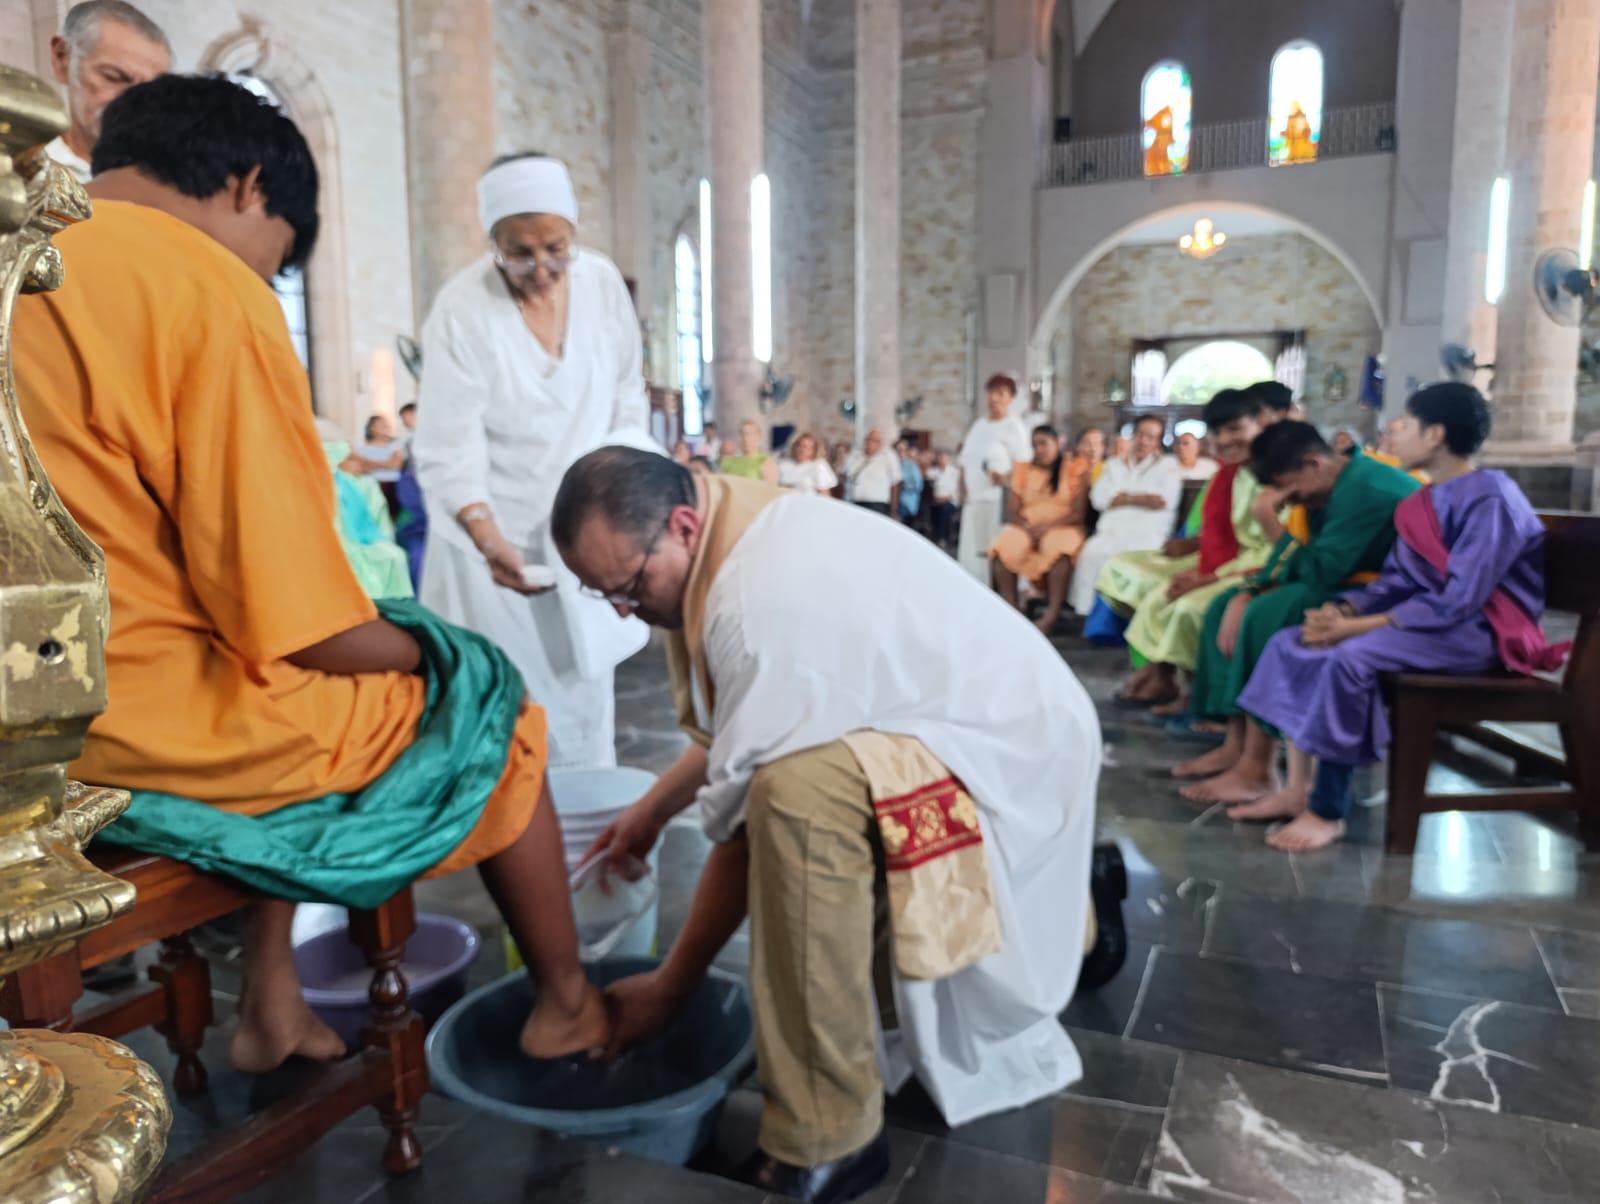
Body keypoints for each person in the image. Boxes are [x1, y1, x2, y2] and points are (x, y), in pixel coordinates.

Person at [12, 74, 606, 1075]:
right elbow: (296, 625)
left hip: (25, 717)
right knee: (495, 711)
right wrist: (436, 643)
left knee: (305, 690)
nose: (268, 279)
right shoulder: (199, 284)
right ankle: (570, 1004)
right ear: (250, 187)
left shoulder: (24, 246)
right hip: (118, 731)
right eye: (280, 259)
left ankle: (272, 1002)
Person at [549, 448, 1124, 1204]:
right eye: (603, 595)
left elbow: (746, 828)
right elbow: (743, 722)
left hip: (1009, 754)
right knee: (797, 783)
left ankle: (828, 1138)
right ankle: (1070, 905)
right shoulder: (733, 516)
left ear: (683, 525)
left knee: (799, 802)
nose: (625, 610)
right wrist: (651, 812)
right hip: (1000, 713)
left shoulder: (754, 603)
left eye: (628, 587)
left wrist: (671, 985)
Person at [1235, 384, 1566, 850]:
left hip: (1481, 633)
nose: (1392, 437)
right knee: (1292, 641)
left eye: (1403, 426)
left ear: (1435, 434)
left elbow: (1461, 599)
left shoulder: (1492, 497)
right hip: (1429, 625)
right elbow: (1396, 582)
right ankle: (1296, 789)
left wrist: (1356, 628)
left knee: (1348, 659)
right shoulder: (1421, 503)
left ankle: (1327, 810)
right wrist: (1343, 610)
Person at [412, 151, 653, 771]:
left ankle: (586, 845)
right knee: (517, 714)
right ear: (493, 242)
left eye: (556, 247)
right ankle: (522, 846)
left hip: (583, 527)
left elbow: (628, 397)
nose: (542, 267)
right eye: (520, 252)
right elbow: (448, 445)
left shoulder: (600, 284)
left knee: (584, 703)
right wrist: (488, 537)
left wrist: (619, 509)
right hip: (495, 544)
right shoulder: (463, 309)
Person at [1175, 421, 1420, 803]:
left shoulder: (1366, 489)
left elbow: (1322, 572)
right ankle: (1236, 743)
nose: (1288, 501)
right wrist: (1250, 590)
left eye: (1290, 489)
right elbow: (1306, 559)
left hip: (1383, 593)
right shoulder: (1332, 484)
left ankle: (1259, 765)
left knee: (1269, 613)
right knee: (1226, 604)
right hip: (1343, 582)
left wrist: (1270, 523)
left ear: (1314, 463)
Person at [1098, 390, 1280, 709]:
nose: (1224, 440)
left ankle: (1194, 693)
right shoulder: (1231, 473)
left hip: (1257, 567)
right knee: (1147, 586)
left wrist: (1206, 577)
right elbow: (1224, 529)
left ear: (1261, 423)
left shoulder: (1275, 474)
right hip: (1225, 558)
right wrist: (1193, 548)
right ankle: (1160, 673)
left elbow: (1274, 549)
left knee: (1185, 605)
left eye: (1235, 429)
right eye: (1218, 432)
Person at [45, 1, 170, 184]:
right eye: (114, 77)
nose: (135, 102)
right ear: (62, 57)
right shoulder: (22, 171)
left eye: (151, 91)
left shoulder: (173, 182)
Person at [1068, 415, 1181, 616]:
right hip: (1111, 532)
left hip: (1147, 534)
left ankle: (1129, 618)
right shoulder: (1114, 464)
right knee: (1092, 553)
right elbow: (1099, 498)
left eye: (1151, 437)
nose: (1144, 441)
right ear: (1133, 436)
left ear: (1158, 441)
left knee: (1133, 558)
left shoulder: (1168, 466)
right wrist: (1141, 498)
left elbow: (1163, 500)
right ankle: (1090, 616)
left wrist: (1121, 497)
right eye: (1140, 435)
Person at [990, 424, 1090, 634]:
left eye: (1044, 444)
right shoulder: (1023, 470)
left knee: (1059, 549)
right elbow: (1013, 510)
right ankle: (1012, 609)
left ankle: (1051, 615)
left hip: (1063, 525)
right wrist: (1027, 528)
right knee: (1003, 546)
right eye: (1035, 445)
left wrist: (1047, 528)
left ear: (1058, 444)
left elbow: (1078, 512)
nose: (1039, 450)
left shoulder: (1075, 468)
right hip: (1027, 526)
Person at [955, 374, 1031, 580]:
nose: (995, 398)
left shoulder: (1014, 426)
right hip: (974, 500)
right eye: (991, 393)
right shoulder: (979, 425)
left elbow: (1023, 464)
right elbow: (965, 461)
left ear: (1011, 398)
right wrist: (962, 489)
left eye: (1001, 393)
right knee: (972, 552)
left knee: (990, 551)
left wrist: (1005, 477)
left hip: (996, 500)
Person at [845, 427, 900, 516]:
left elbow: (895, 484)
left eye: (875, 440)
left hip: (877, 505)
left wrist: (894, 510)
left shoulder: (888, 457)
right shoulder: (855, 456)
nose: (870, 443)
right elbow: (846, 476)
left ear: (880, 443)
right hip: (855, 502)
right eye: (869, 439)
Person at [777, 431, 838, 496]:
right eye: (799, 445)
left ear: (813, 450)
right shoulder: (783, 464)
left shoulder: (818, 465)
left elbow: (824, 494)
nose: (802, 450)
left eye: (806, 447)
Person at [720, 419, 780, 483]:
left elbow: (771, 490)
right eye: (742, 434)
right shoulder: (730, 461)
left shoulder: (765, 462)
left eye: (749, 434)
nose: (745, 438)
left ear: (758, 437)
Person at [929, 449, 960, 548]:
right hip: (936, 501)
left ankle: (942, 538)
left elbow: (956, 491)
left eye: (944, 458)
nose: (942, 460)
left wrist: (944, 499)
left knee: (943, 510)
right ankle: (935, 536)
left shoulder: (954, 472)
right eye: (940, 458)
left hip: (950, 501)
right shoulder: (934, 471)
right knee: (933, 509)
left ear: (948, 460)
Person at [896, 437, 924, 525]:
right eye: (898, 450)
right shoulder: (892, 464)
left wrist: (904, 485)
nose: (900, 453)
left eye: (902, 450)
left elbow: (918, 486)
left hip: (905, 503)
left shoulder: (912, 466)